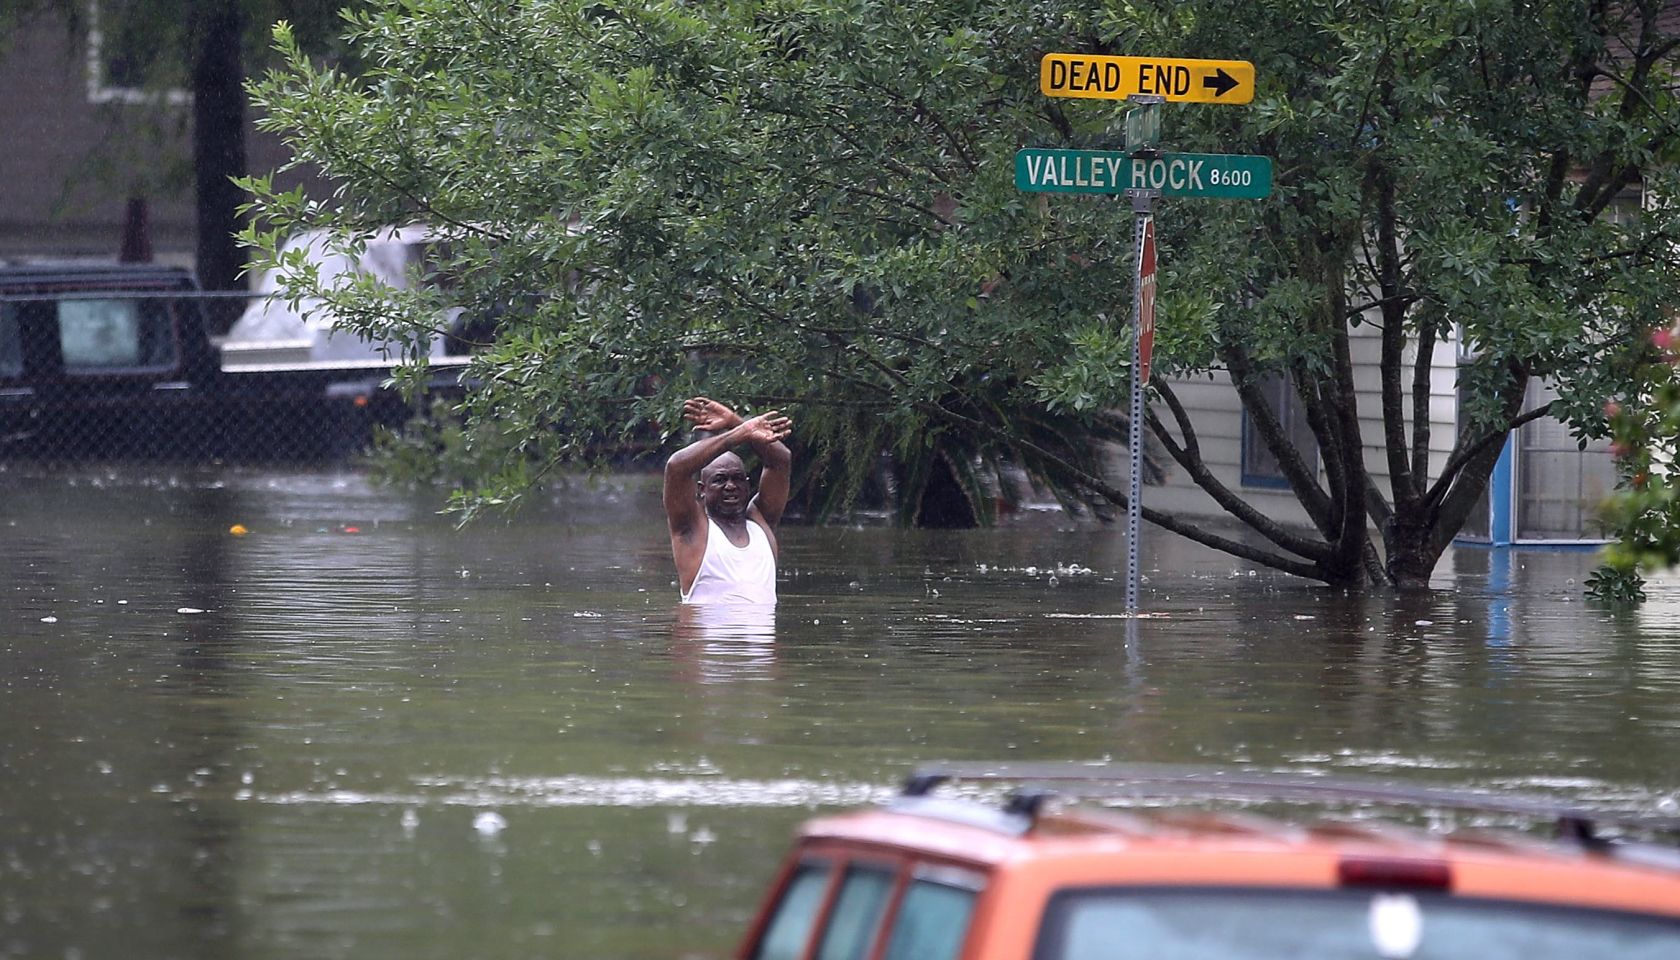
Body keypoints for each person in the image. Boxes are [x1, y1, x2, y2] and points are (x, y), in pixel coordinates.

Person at [664, 396, 793, 604]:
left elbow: (781, 460)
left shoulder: (762, 521)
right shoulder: (692, 528)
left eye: (738, 479)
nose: (731, 485)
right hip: (711, 638)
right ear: (702, 490)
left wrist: (735, 420)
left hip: (761, 637)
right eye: (720, 480)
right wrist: (738, 434)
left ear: (748, 485)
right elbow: (676, 468)